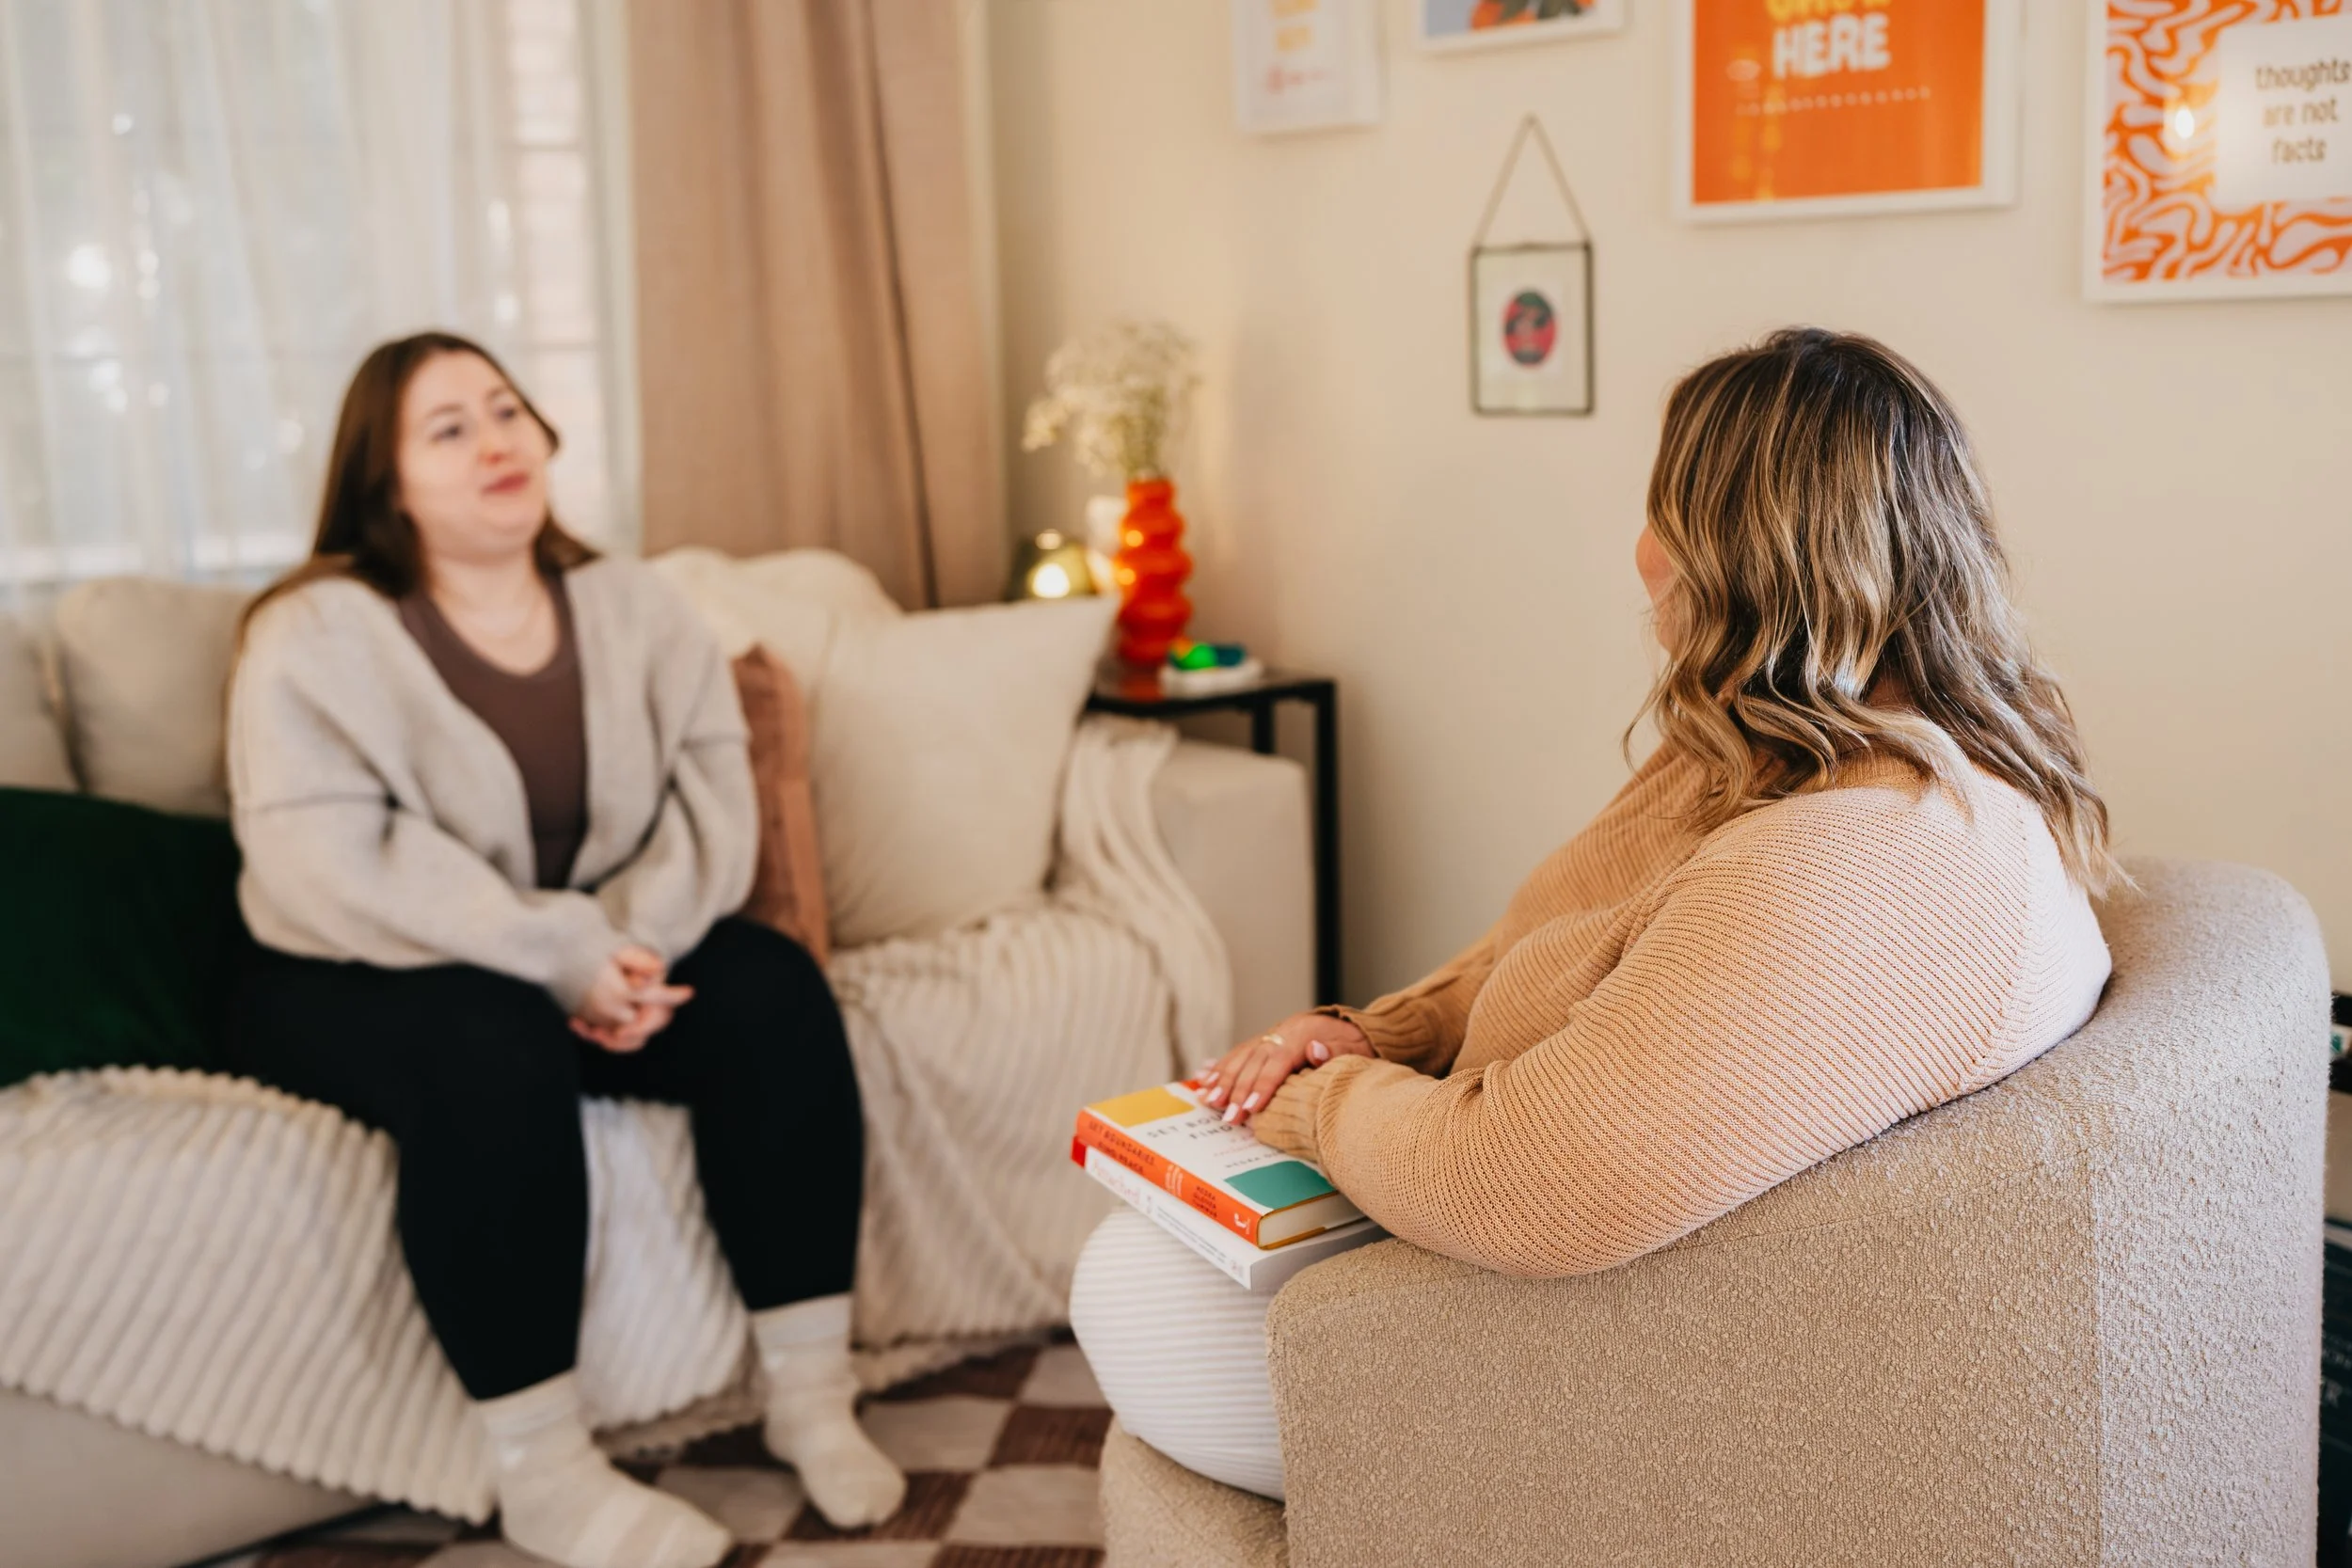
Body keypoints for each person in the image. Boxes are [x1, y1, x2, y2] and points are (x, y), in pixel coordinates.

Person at [1070, 327, 2117, 1501]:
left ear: (1739, 557)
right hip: (1537, 1237)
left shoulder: (1866, 862)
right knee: (1143, 1254)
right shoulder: (1785, 751)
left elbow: (1514, 1180)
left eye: (1662, 515)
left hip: (1616, 1349)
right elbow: (1551, 935)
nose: (1640, 557)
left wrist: (1313, 1106)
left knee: (1120, 1277)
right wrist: (1381, 1034)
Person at [225, 332, 902, 1568]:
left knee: (770, 990)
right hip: (358, 968)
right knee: (490, 1040)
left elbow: (712, 797)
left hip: (595, 950)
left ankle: (812, 1393)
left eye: (507, 409)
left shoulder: (637, 605)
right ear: (385, 483)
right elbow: (328, 857)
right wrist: (559, 956)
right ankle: (544, 1469)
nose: (495, 439)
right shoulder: (312, 631)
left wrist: (624, 951)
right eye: (448, 427)